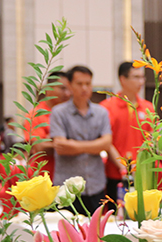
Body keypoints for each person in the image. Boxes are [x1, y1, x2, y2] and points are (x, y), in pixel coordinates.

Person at [50, 65, 112, 213]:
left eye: (88, 83)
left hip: (95, 185)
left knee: (96, 233)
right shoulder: (58, 113)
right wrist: (95, 146)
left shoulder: (101, 113)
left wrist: (74, 145)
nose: (84, 88)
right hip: (66, 189)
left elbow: (107, 143)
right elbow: (60, 146)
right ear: (70, 86)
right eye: (79, 84)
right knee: (65, 233)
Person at [101, 62, 154, 204]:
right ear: (122, 79)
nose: (141, 82)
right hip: (115, 174)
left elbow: (152, 138)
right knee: (116, 217)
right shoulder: (107, 107)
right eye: (136, 77)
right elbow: (106, 140)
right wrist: (121, 165)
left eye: (142, 77)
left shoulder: (148, 108)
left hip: (142, 174)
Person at [23, 71, 70, 182]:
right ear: (48, 88)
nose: (67, 93)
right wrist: (71, 142)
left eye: (69, 89)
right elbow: (40, 148)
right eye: (62, 88)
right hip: (44, 177)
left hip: (69, 176)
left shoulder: (71, 114)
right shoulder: (35, 114)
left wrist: (52, 139)